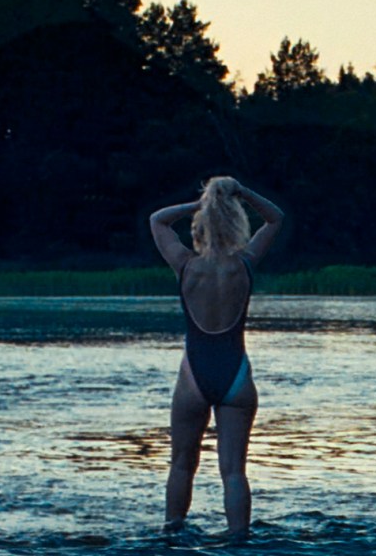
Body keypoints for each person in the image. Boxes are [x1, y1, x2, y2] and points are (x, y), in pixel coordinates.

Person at [150, 176, 284, 535]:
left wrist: (200, 206)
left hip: (193, 376)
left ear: (202, 224)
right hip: (236, 376)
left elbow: (158, 220)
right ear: (233, 221)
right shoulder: (245, 263)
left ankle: (173, 531)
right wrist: (239, 193)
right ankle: (239, 538)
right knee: (234, 471)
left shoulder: (185, 265)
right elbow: (275, 218)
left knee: (181, 464)